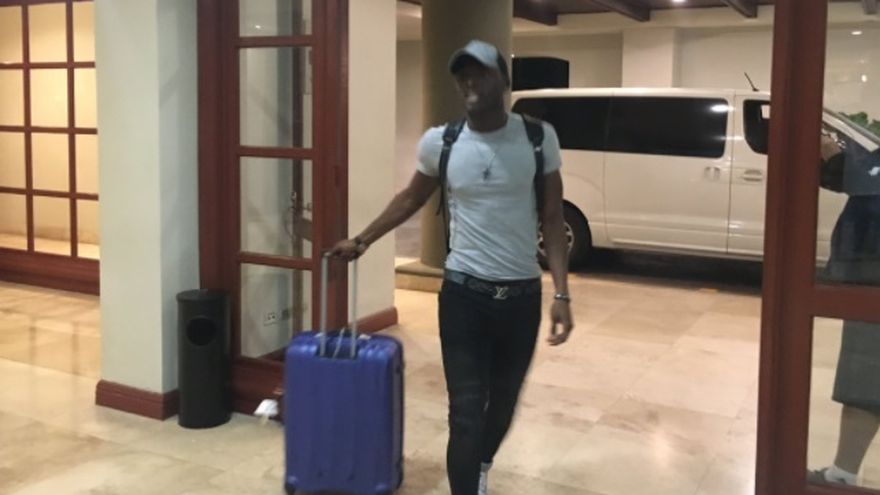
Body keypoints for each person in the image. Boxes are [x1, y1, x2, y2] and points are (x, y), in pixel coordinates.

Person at [329, 40, 574, 495]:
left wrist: (561, 293)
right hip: (463, 296)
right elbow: (410, 198)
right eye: (462, 74)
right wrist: (362, 240)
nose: (469, 81)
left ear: (503, 80)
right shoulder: (441, 142)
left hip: (521, 298)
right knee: (464, 412)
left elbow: (554, 217)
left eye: (480, 72)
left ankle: (481, 463)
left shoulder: (538, 138)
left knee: (503, 405)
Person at [809, 132, 880, 486]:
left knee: (866, 377)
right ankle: (842, 475)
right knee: (865, 382)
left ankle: (841, 477)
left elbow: (869, 183)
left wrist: (836, 157)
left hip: (873, 274)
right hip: (867, 274)